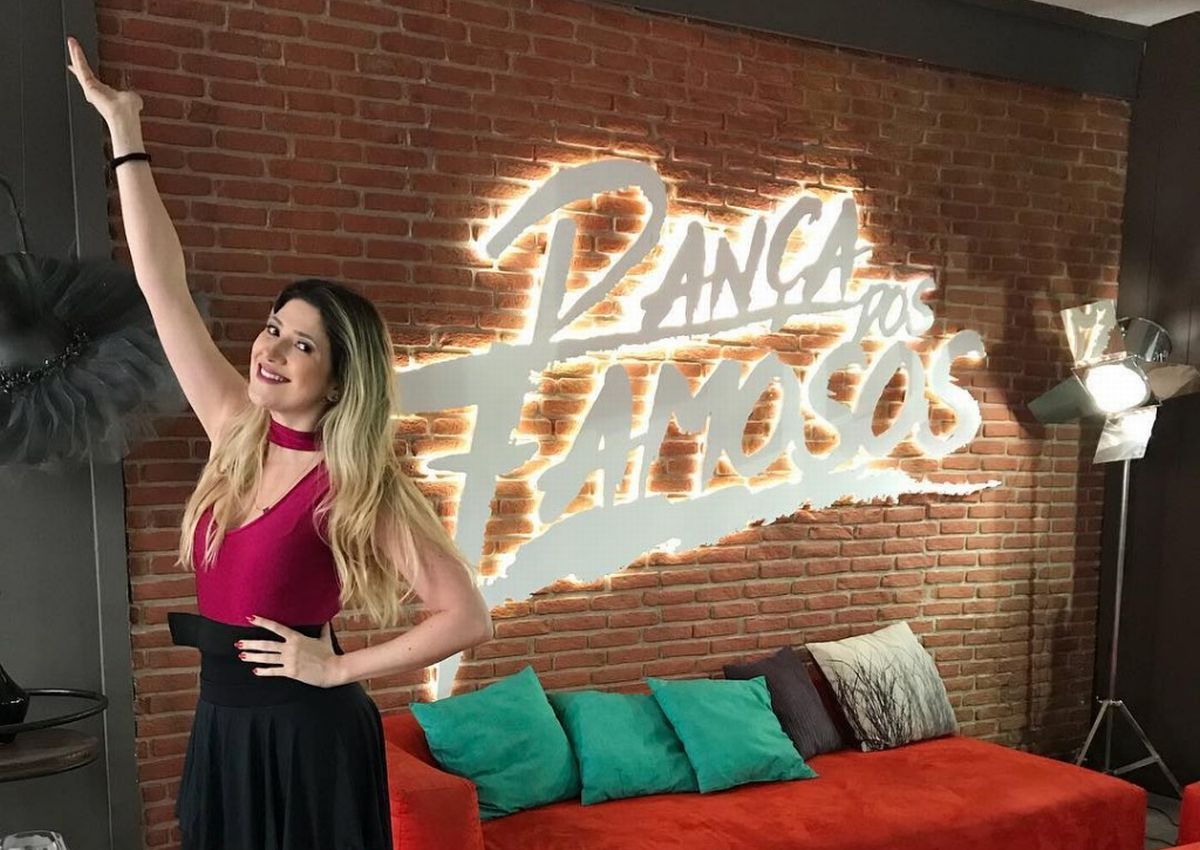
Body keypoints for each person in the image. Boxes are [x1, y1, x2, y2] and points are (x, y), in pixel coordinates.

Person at [65, 36, 494, 850]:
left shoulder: (354, 482)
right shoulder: (235, 427)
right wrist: (124, 128)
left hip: (309, 737)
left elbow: (465, 616)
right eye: (273, 327)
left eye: (302, 344)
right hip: (223, 727)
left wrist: (337, 667)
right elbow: (162, 285)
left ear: (337, 381)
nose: (271, 349)